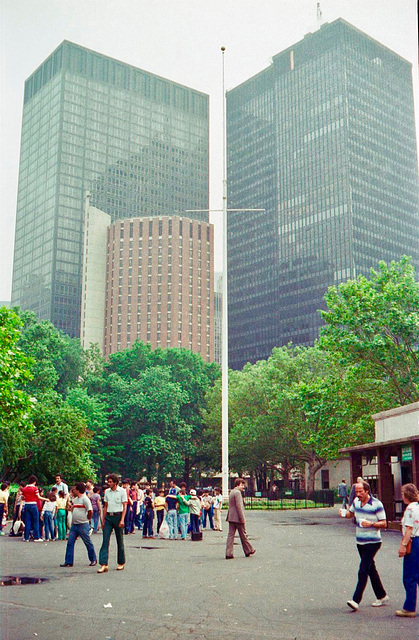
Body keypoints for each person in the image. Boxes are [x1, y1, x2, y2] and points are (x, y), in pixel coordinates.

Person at [340, 480, 388, 611]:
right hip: (360, 541)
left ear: (367, 491)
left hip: (373, 541)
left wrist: (371, 524)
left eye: (361, 491)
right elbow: (351, 514)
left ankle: (356, 600)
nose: (358, 494)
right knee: (370, 568)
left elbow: (384, 523)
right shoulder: (356, 502)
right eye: (356, 491)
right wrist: (344, 513)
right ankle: (382, 595)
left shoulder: (376, 504)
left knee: (363, 570)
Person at [395, 483, 419, 618]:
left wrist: (403, 544)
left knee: (409, 576)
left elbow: (409, 528)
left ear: (406, 495)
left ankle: (409, 607)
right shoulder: (418, 507)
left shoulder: (410, 509)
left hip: (414, 541)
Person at [60, 482, 97, 567]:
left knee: (87, 542)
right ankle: (68, 561)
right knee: (70, 542)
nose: (73, 491)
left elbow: (90, 510)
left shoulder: (85, 499)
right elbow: (73, 508)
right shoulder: (76, 499)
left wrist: (87, 518)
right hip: (75, 524)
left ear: (78, 490)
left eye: (75, 489)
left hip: (83, 524)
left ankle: (93, 559)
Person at [97, 474, 127, 573]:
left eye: (110, 482)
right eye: (108, 482)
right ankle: (103, 563)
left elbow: (125, 506)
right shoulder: (107, 492)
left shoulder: (122, 491)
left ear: (115, 482)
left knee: (120, 540)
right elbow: (105, 506)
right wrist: (103, 520)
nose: (109, 483)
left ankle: (121, 562)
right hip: (109, 517)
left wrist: (122, 519)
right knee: (105, 540)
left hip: (118, 516)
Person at [226, 478, 256, 559]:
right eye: (242, 485)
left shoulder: (232, 492)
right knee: (243, 534)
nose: (243, 487)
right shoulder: (238, 493)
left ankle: (229, 553)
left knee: (231, 535)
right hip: (238, 518)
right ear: (237, 485)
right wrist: (242, 518)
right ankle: (249, 549)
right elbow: (239, 507)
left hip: (231, 517)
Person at [21, 476, 49, 542]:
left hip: (26, 505)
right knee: (36, 521)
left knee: (27, 521)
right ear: (34, 482)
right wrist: (46, 499)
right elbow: (38, 497)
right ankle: (36, 537)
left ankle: (26, 537)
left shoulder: (24, 488)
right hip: (33, 505)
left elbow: (23, 497)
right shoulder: (35, 488)